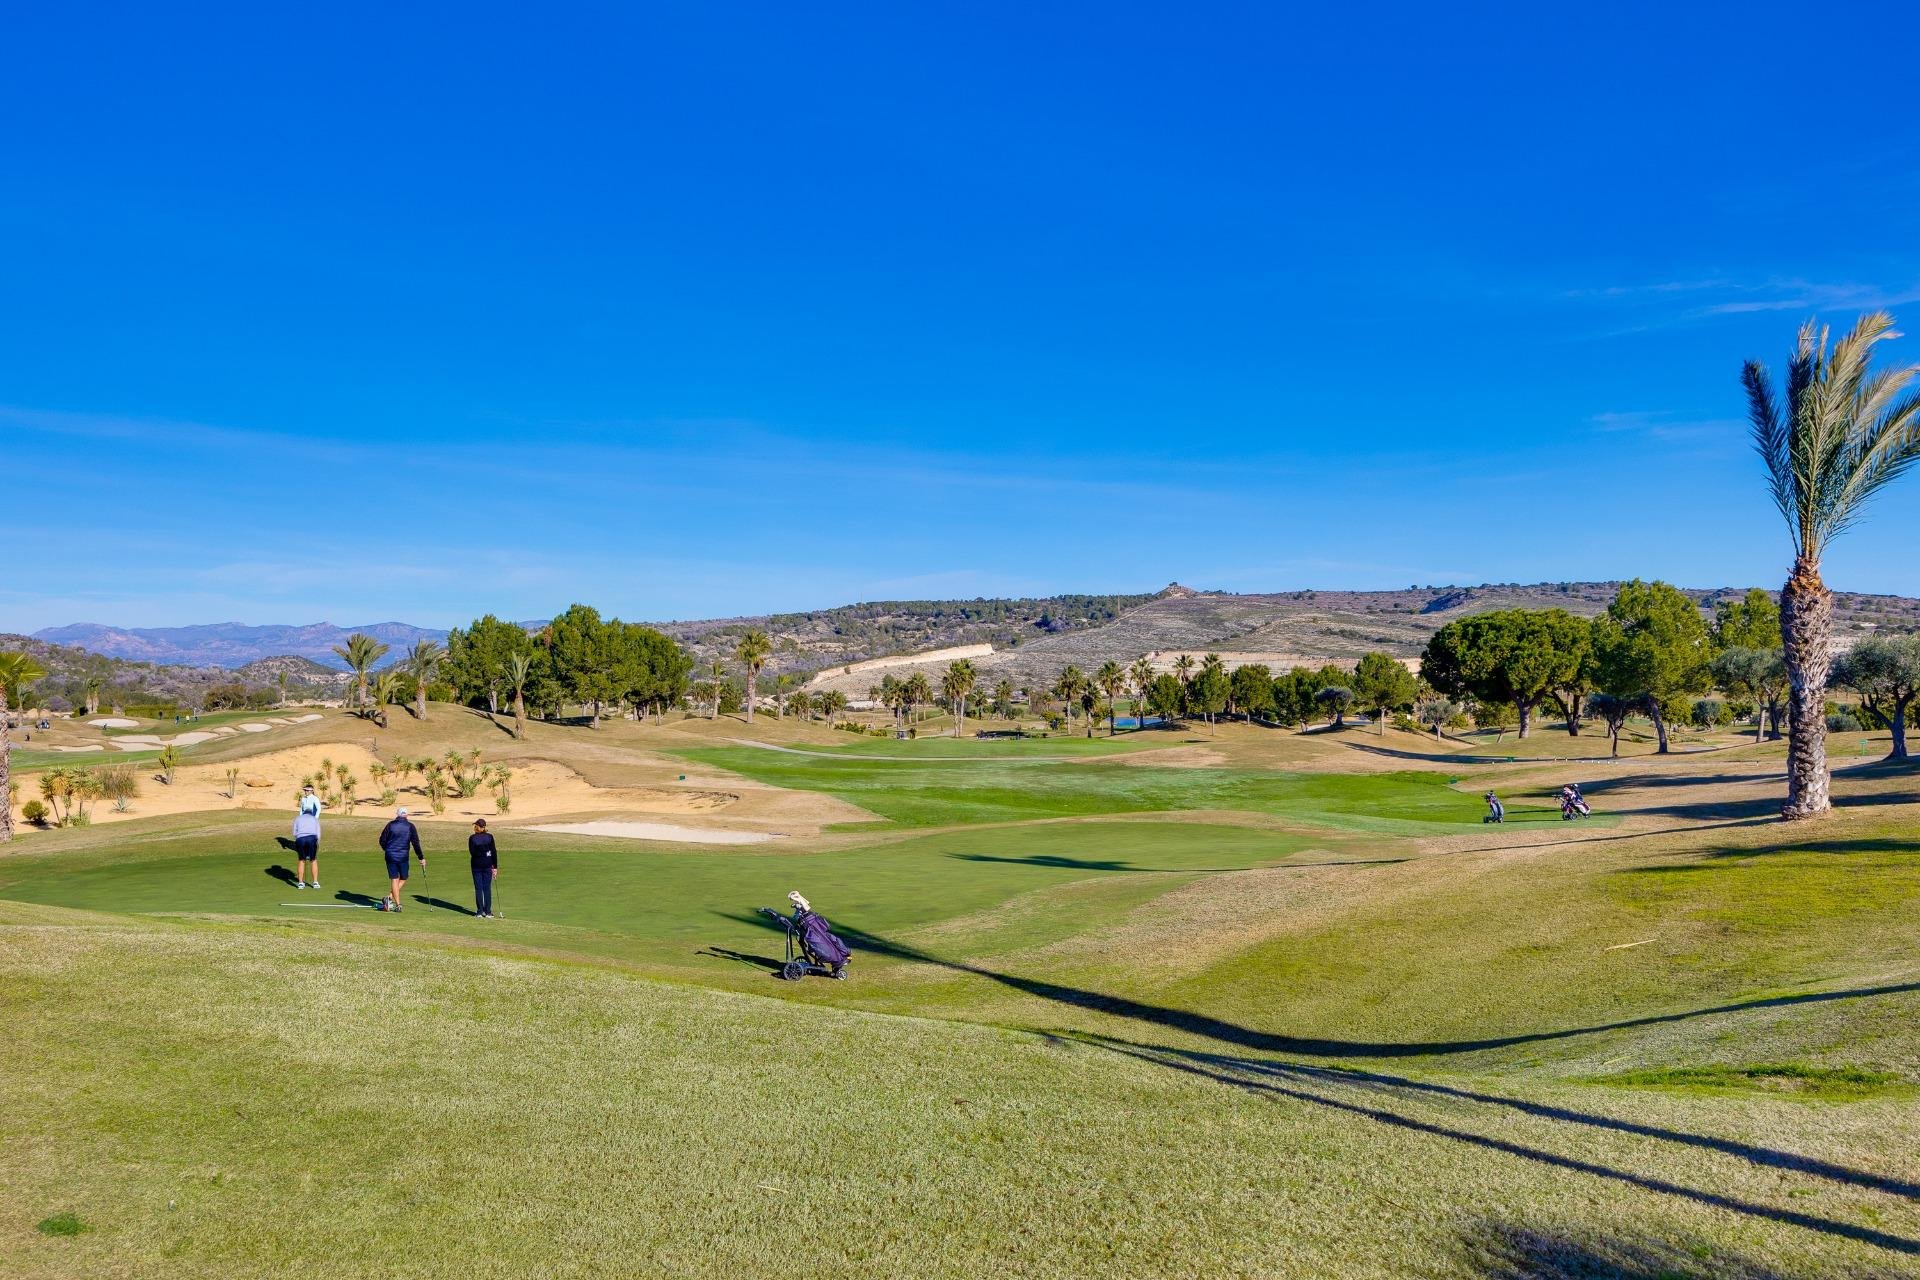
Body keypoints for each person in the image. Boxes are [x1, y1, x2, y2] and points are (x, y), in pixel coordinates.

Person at [377, 807, 424, 912]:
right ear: (406, 815)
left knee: (399, 878)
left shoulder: (390, 825)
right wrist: (421, 857)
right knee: (400, 878)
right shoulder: (410, 826)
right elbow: (415, 843)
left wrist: (387, 849)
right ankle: (398, 905)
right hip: (403, 856)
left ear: (397, 815)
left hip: (390, 855)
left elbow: (382, 840)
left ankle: (389, 897)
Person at [292, 784, 323, 889]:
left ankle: (301, 883)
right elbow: (301, 809)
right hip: (310, 828)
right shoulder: (303, 799)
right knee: (313, 860)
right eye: (305, 790)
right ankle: (314, 882)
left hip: (308, 823)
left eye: (307, 790)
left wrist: (315, 819)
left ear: (312, 791)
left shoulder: (315, 798)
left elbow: (318, 809)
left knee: (301, 860)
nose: (305, 792)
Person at [469, 818, 499, 918]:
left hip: (476, 866)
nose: (474, 827)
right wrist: (495, 867)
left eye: (475, 826)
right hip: (487, 865)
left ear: (478, 827)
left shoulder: (472, 838)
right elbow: (494, 852)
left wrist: (481, 853)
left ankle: (479, 912)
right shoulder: (490, 837)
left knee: (478, 888)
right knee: (487, 888)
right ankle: (488, 912)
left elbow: (472, 852)